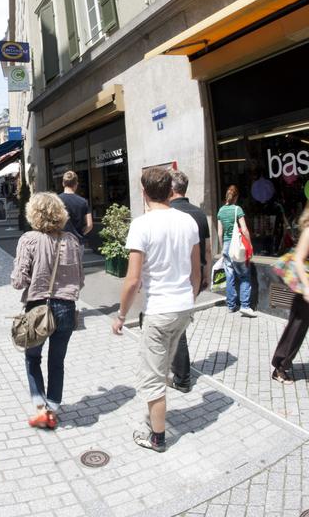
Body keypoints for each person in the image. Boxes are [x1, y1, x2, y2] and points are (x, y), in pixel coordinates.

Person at [112, 167, 200, 453]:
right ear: (171, 190)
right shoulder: (188, 222)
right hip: (183, 307)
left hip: (159, 310)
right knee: (162, 367)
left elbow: (133, 279)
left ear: (144, 192)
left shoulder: (142, 224)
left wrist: (121, 315)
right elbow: (197, 270)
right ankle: (156, 420)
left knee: (153, 379)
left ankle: (157, 437)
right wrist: (191, 296)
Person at [11, 192, 84, 429]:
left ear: (33, 214)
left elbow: (19, 281)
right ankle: (52, 408)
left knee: (32, 358)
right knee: (57, 361)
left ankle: (41, 408)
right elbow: (80, 279)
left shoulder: (28, 240)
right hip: (66, 307)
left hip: (38, 309)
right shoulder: (72, 240)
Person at [168, 170, 212, 394]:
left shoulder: (167, 212)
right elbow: (207, 247)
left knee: (177, 329)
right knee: (179, 323)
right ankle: (178, 370)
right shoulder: (199, 213)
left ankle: (182, 378)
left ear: (171, 188)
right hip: (195, 276)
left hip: (174, 278)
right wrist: (206, 275)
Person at [271, 201, 309, 384]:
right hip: (306, 290)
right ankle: (280, 367)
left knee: (297, 327)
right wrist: (307, 288)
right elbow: (299, 260)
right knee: (296, 329)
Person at [217, 185, 255, 317]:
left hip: (227, 247)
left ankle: (231, 305)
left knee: (230, 276)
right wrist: (250, 244)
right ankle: (245, 305)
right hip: (237, 246)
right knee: (244, 276)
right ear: (236, 197)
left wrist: (222, 248)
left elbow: (220, 232)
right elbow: (244, 229)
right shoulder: (237, 209)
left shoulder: (221, 211)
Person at [58, 171, 93, 248]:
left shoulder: (56, 200)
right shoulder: (83, 202)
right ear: (76, 184)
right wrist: (80, 233)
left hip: (60, 241)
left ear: (63, 183)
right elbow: (89, 225)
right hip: (77, 242)